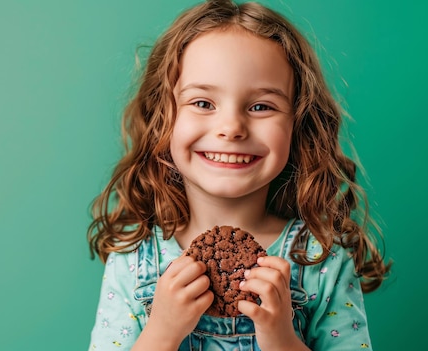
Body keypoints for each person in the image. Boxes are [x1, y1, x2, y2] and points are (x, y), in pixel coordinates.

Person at [86, 0, 390, 350]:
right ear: (163, 118)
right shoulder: (133, 260)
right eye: (203, 103)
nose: (231, 128)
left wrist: (281, 338)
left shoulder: (323, 262)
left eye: (261, 106)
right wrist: (162, 331)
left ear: (298, 124)